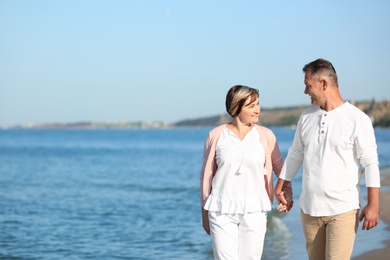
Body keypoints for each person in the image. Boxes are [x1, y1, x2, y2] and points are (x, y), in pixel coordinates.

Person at [275, 58, 381, 260]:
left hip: (342, 209)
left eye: (308, 85)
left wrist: (373, 205)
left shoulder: (357, 119)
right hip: (309, 208)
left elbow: (370, 163)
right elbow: (296, 153)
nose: (305, 91)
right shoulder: (306, 116)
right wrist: (281, 185)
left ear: (323, 83)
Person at [200, 85, 292, 260]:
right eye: (251, 105)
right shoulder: (216, 135)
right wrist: (204, 212)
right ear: (236, 107)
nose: (257, 109)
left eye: (258, 104)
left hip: (255, 209)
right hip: (221, 209)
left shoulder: (265, 135)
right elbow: (206, 175)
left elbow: (280, 168)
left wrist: (286, 190)